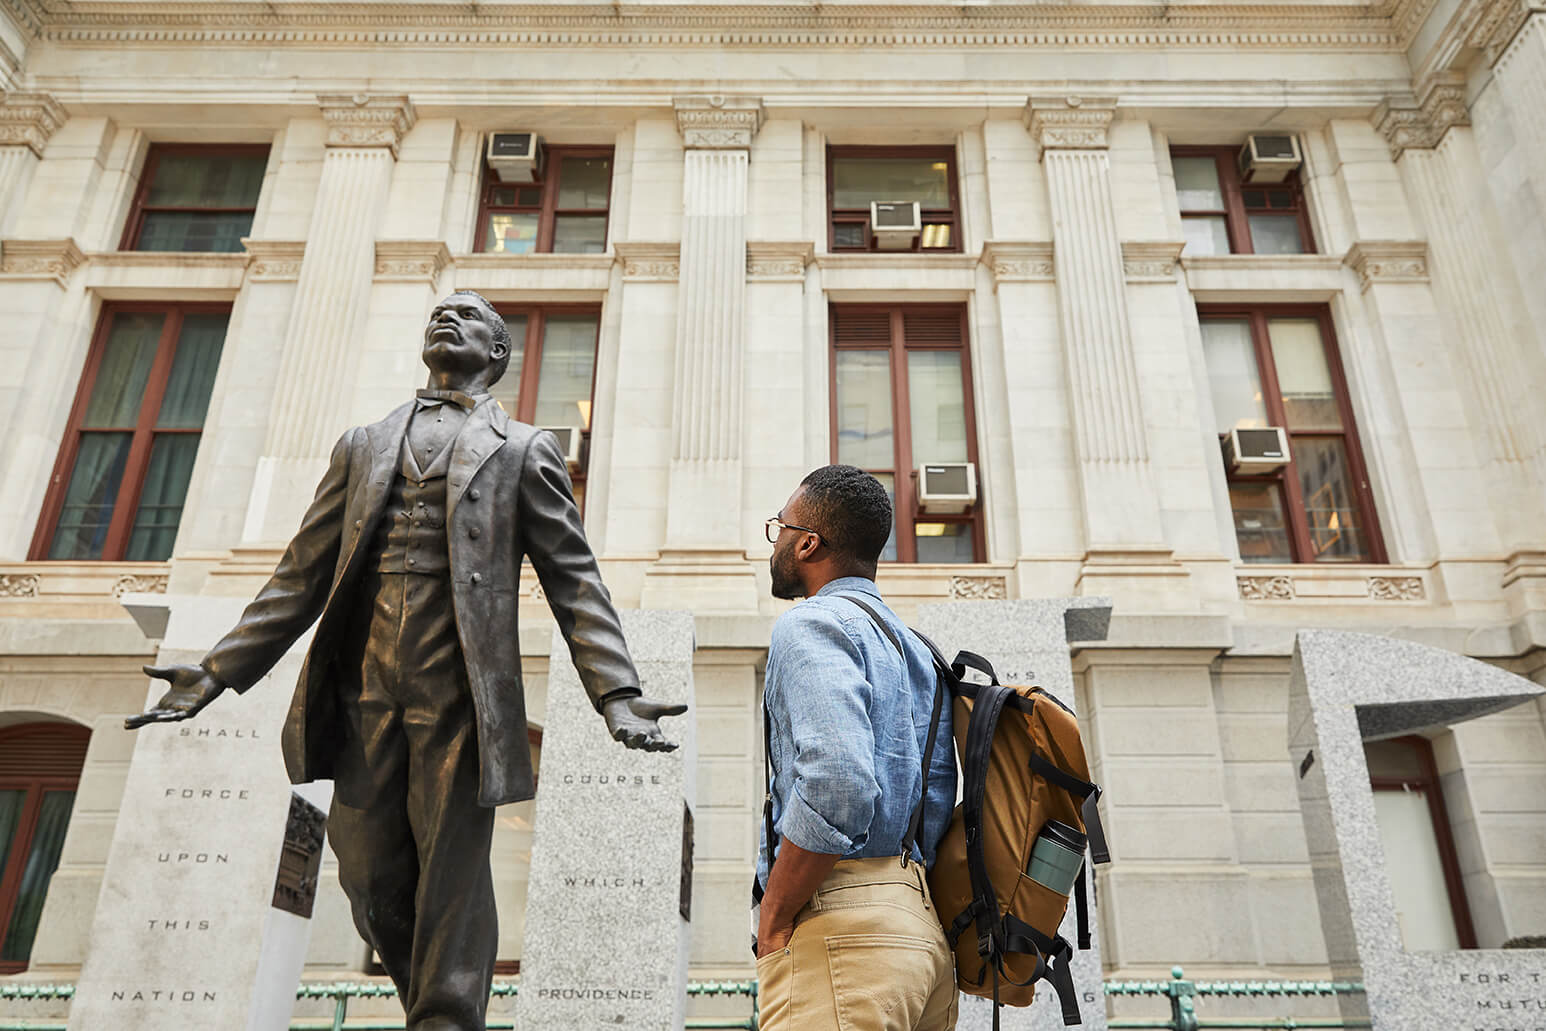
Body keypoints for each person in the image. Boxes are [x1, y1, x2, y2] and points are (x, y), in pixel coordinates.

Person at [127, 291, 685, 1031]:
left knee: (453, 871)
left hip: (459, 686)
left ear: (498, 353)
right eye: (439, 311)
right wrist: (218, 669)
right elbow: (300, 576)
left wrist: (616, 691)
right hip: (364, 683)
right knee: (366, 876)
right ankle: (437, 1004)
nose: (447, 316)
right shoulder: (362, 443)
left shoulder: (524, 449)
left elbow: (573, 577)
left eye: (471, 314)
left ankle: (446, 1018)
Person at [754, 464, 959, 1031]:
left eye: (781, 528)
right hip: (922, 932)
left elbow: (839, 784)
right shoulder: (916, 647)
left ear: (808, 542)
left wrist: (774, 915)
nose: (777, 542)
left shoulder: (813, 624)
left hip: (843, 928)